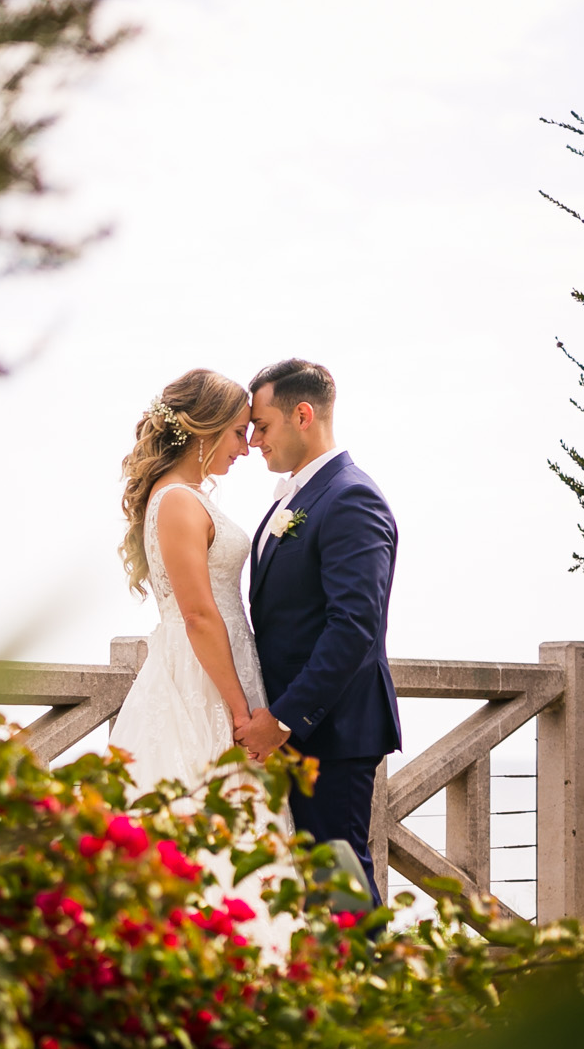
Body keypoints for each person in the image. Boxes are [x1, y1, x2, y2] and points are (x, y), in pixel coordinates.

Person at [235, 358, 401, 904]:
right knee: (314, 891)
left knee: (342, 891)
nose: (254, 439)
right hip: (297, 734)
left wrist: (283, 718)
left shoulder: (350, 497)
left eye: (263, 425)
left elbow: (354, 627)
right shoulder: (296, 495)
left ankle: (377, 989)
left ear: (302, 414)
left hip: (330, 731)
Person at [106, 369, 269, 794]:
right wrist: (240, 713)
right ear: (205, 430)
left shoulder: (185, 495)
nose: (245, 448)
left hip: (217, 664)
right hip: (205, 677)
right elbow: (197, 614)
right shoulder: (178, 499)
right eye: (238, 433)